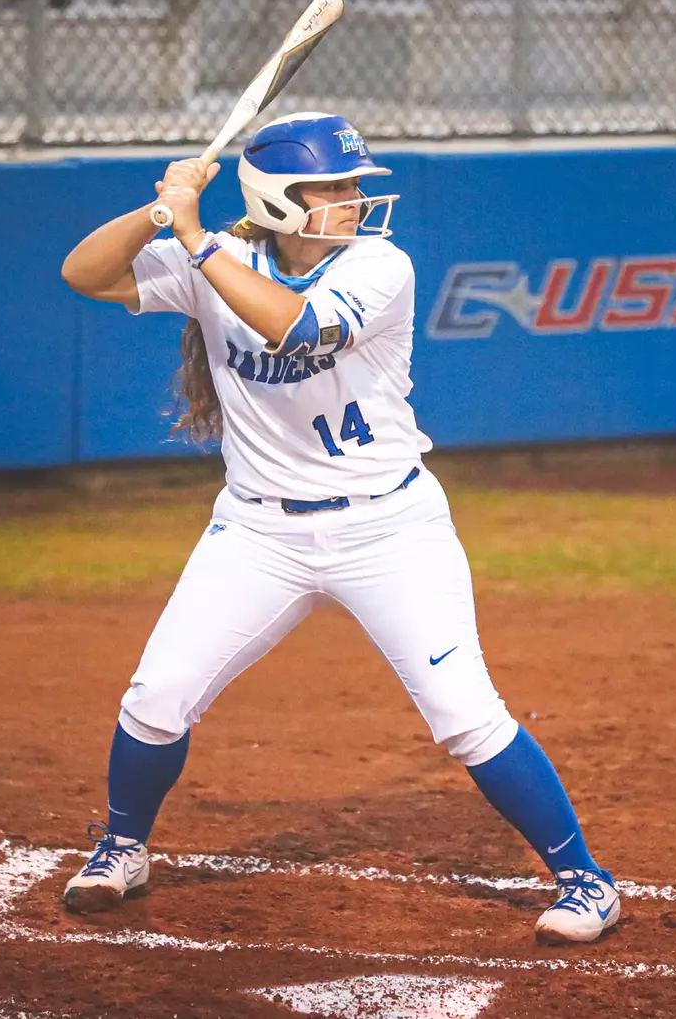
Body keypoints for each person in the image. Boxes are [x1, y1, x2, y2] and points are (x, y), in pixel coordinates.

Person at [56, 112, 621, 945]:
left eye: (356, 185)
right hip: (257, 534)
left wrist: (196, 239)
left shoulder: (381, 266)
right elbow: (84, 274)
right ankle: (122, 848)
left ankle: (587, 882)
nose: (355, 200)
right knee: (156, 699)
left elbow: (300, 327)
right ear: (280, 200)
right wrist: (161, 212)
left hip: (389, 528)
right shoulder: (218, 256)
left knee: (465, 714)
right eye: (334, 187)